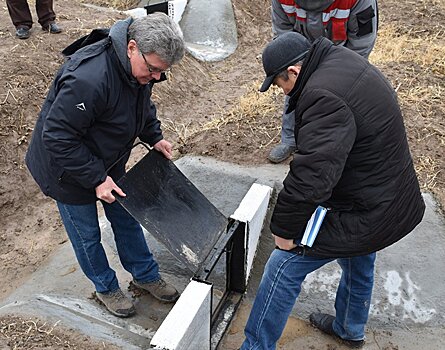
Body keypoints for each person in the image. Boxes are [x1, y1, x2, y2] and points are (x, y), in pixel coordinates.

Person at [241, 32, 425, 349]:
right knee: (359, 253)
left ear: (294, 72)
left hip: (366, 206)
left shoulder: (322, 95)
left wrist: (285, 229)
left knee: (283, 264)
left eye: (279, 84)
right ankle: (349, 328)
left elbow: (313, 175)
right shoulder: (341, 60)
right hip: (383, 196)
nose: (281, 92)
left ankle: (255, 347)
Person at [25, 13, 185, 318]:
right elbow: (57, 137)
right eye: (152, 70)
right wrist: (97, 179)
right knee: (86, 233)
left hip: (106, 157)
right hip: (66, 168)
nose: (154, 77)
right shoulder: (89, 78)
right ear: (132, 48)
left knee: (126, 217)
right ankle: (106, 287)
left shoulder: (139, 70)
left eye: (160, 73)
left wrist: (154, 136)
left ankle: (145, 275)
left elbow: (141, 104)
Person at [268, 0, 378, 163]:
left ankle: (344, 143)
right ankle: (290, 139)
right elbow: (283, 35)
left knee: (342, 97)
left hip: (342, 53)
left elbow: (361, 42)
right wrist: (301, 69)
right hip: (301, 53)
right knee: (294, 87)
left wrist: (342, 74)